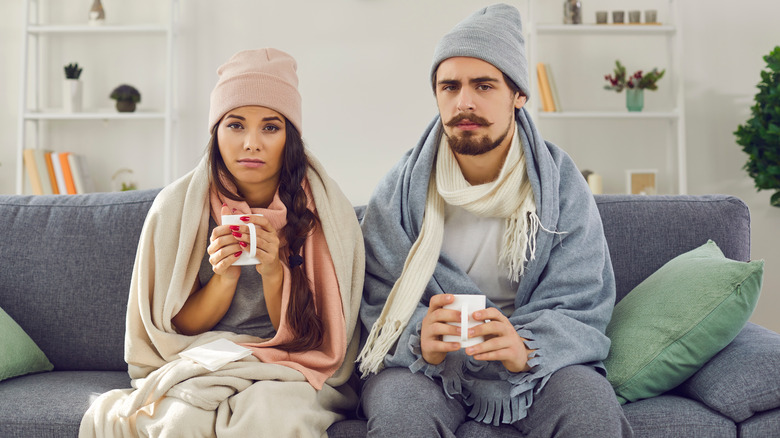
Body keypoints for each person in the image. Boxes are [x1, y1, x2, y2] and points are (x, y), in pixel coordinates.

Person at [357, 4, 633, 437]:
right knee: (399, 412)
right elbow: (375, 295)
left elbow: (582, 296)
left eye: (484, 85)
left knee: (590, 405)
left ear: (518, 95)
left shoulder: (559, 183)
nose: (464, 102)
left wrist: (526, 347)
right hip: (428, 367)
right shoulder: (400, 189)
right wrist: (418, 338)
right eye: (450, 86)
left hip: (532, 362)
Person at [80, 48, 364, 437]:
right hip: (206, 356)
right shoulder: (178, 208)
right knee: (181, 420)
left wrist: (273, 273)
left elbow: (320, 340)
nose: (251, 143)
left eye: (270, 127)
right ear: (216, 131)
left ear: (290, 137)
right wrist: (223, 279)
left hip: (295, 365)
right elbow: (176, 326)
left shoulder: (328, 211)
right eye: (235, 125)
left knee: (267, 415)